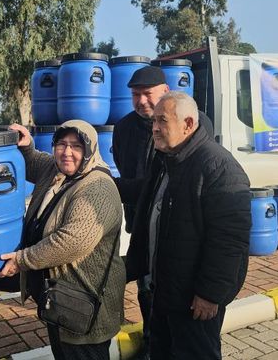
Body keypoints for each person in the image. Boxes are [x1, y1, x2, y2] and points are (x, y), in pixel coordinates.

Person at [126, 91, 251, 359]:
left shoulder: (218, 167)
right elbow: (147, 199)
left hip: (194, 301)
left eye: (162, 121)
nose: (155, 129)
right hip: (165, 291)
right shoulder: (168, 159)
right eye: (154, 122)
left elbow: (229, 240)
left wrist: (209, 294)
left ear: (188, 124)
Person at [0, 120, 126, 360]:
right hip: (60, 301)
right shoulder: (55, 170)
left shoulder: (97, 187)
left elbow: (71, 242)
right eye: (61, 144)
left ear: (89, 150)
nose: (67, 152)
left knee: (81, 353)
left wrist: (21, 260)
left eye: (76, 146)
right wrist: (26, 147)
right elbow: (34, 162)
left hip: (85, 304)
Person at [111, 65, 169, 356]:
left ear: (165, 92)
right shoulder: (123, 128)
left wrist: (123, 187)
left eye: (148, 94)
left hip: (173, 224)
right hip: (141, 221)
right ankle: (150, 342)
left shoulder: (183, 123)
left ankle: (168, 340)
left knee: (170, 284)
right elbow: (123, 165)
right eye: (136, 95)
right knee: (146, 285)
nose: (142, 100)